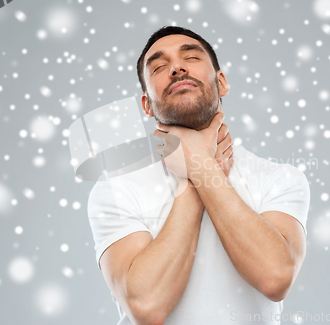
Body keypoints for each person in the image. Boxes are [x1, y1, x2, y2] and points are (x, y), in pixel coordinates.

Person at [87, 26, 310, 325]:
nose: (177, 68)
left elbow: (275, 278)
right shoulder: (115, 189)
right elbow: (147, 306)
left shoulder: (278, 178)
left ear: (222, 82)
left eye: (190, 57)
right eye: (159, 67)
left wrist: (199, 166)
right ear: (146, 105)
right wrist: (199, 171)